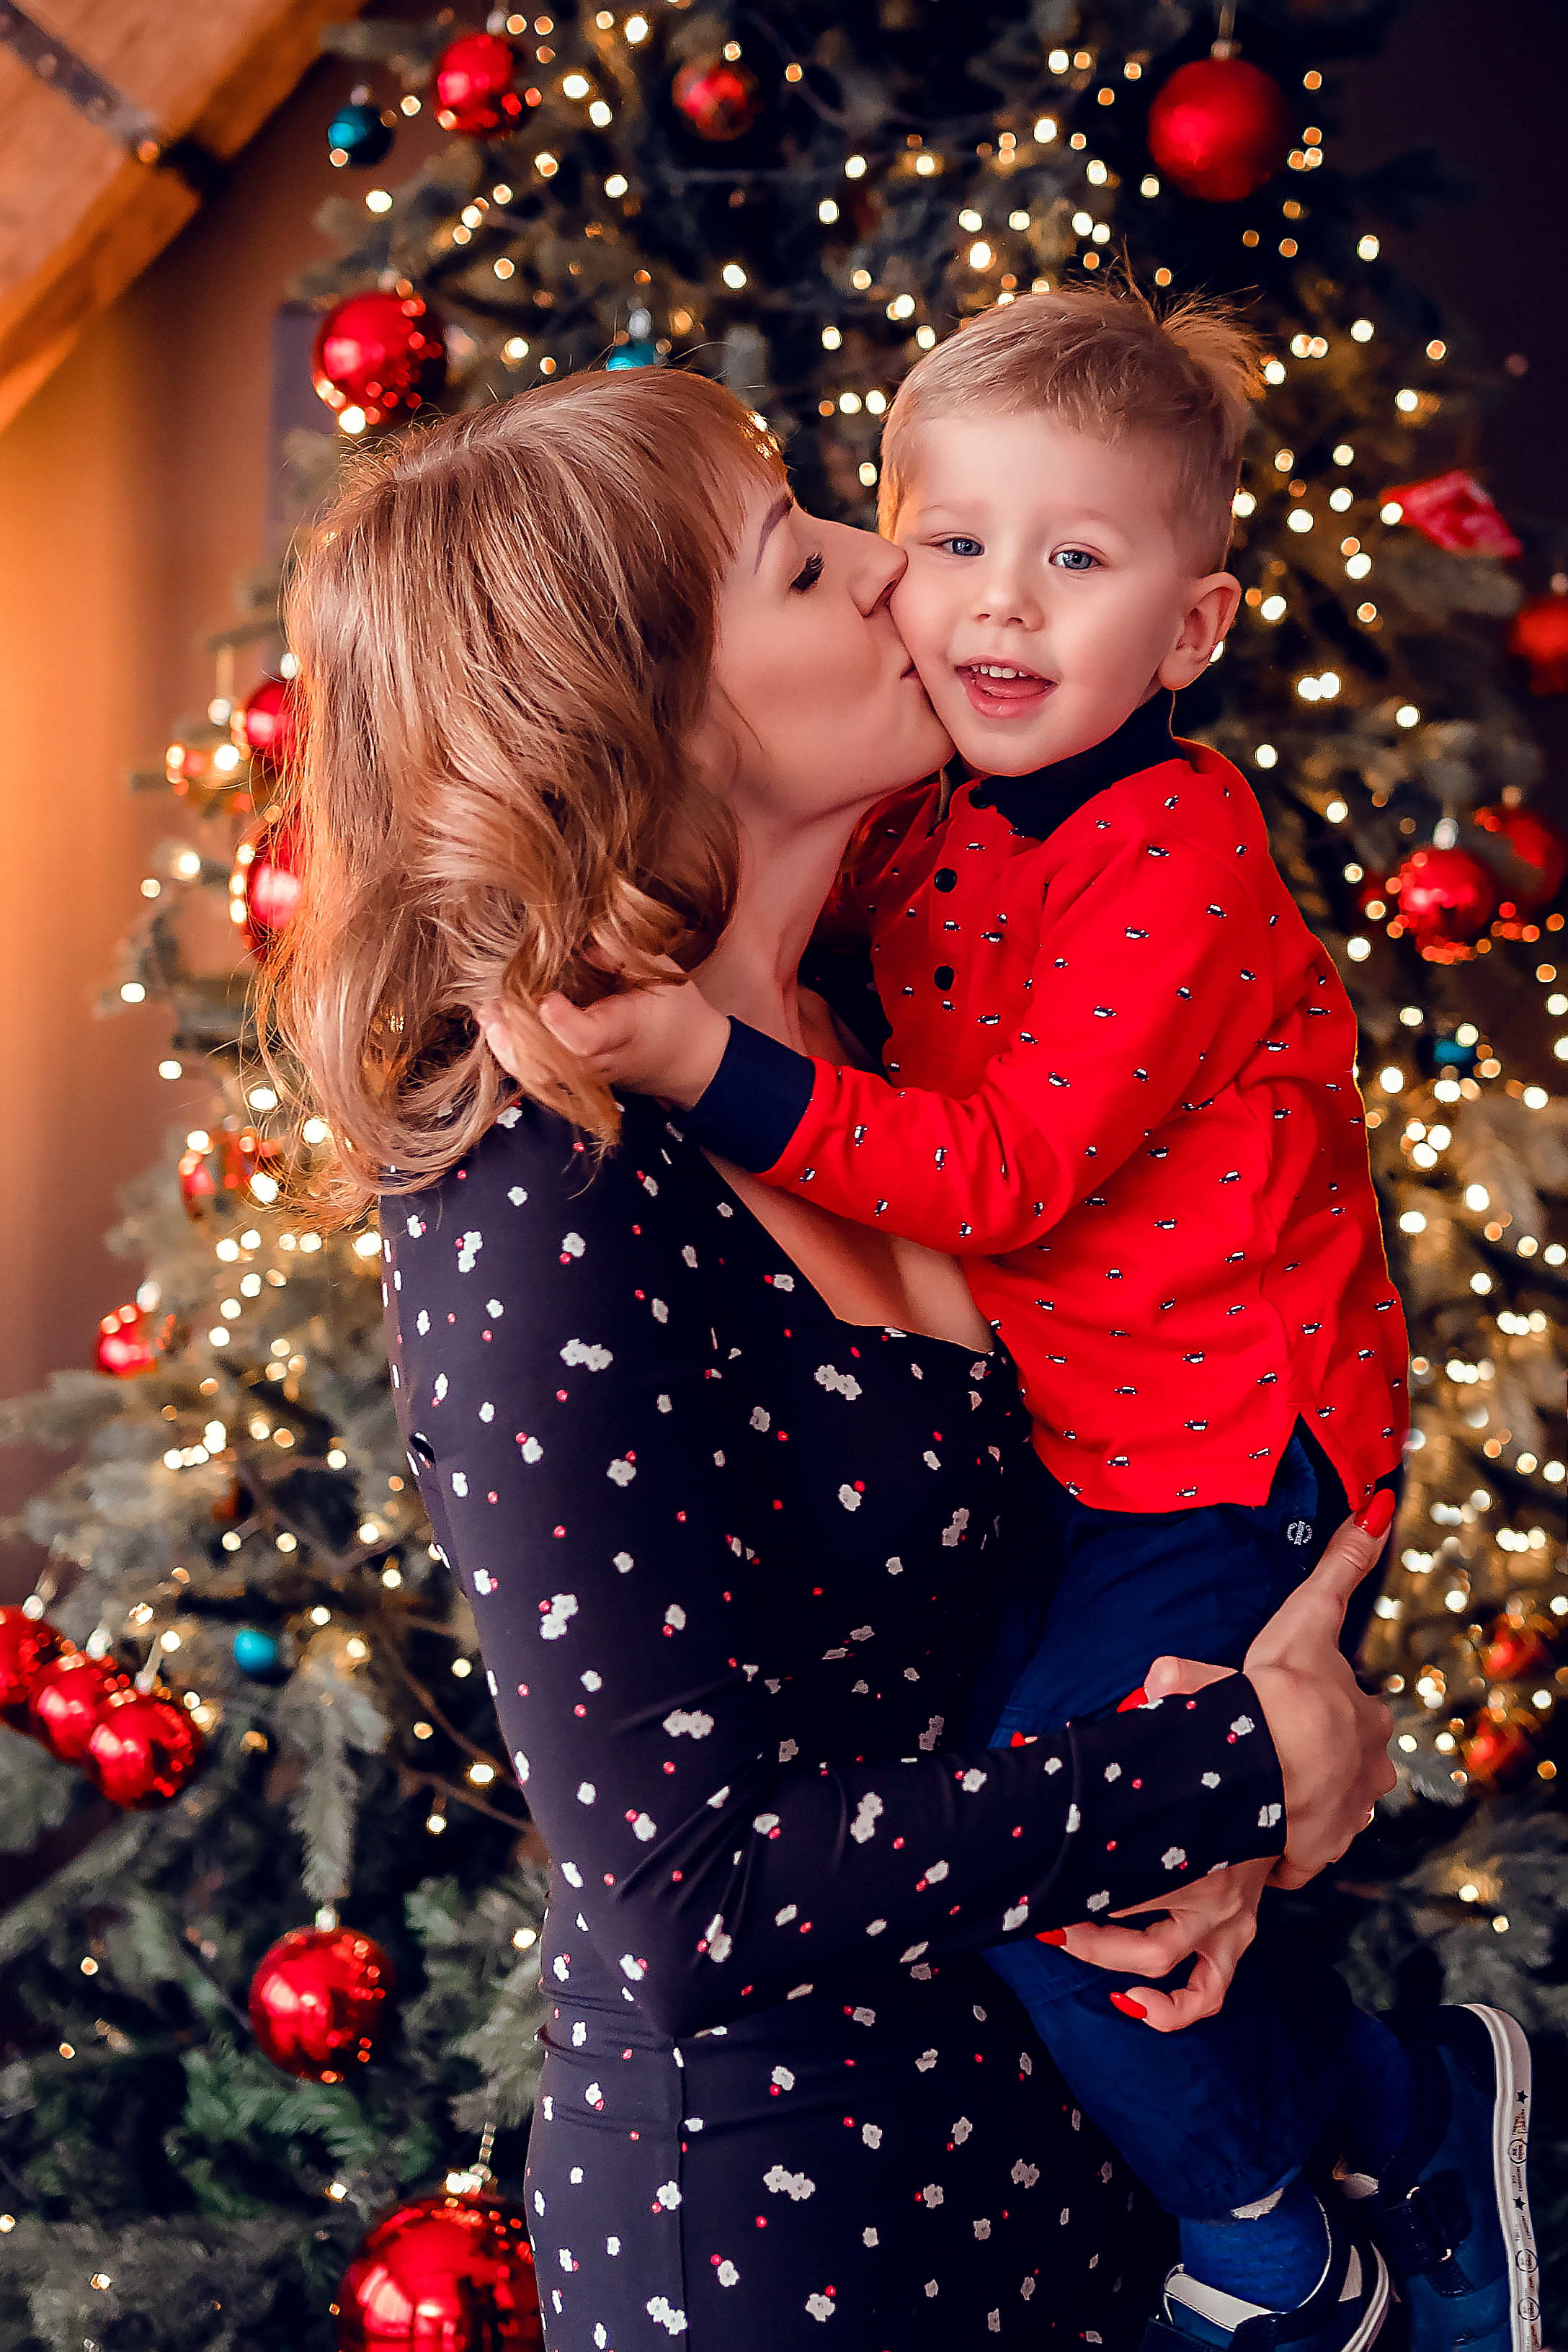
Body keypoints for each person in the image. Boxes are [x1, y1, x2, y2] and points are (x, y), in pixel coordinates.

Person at [265, 365, 1397, 2352]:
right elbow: (690, 1890)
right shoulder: (542, 1197)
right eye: (807, 560)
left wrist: (1227, 1787)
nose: (902, 573)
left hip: (1082, 2176)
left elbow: (1201, 1379)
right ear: (636, 718)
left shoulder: (896, 1021)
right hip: (808, 2236)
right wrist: (1221, 1766)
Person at [506, 294, 1537, 2352]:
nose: (962, 601)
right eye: (929, 539)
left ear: (1192, 628)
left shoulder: (1167, 846)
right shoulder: (907, 862)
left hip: (1218, 1457)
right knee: (1108, 1875)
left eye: (1074, 559)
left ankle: (1298, 2221)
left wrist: (710, 1063)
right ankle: (1334, 2164)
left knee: (1102, 1909)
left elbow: (999, 1174)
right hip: (789, 2206)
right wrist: (1236, 1769)